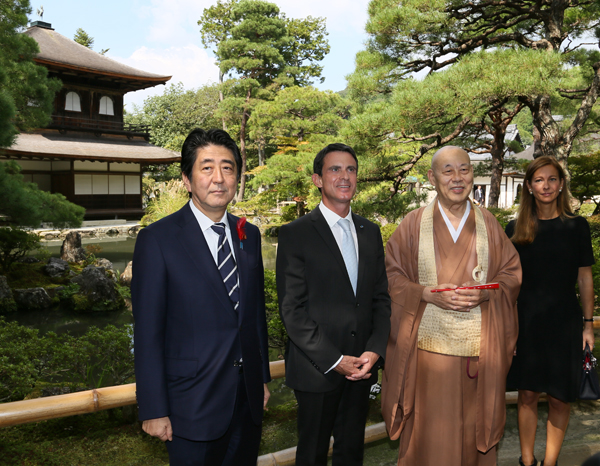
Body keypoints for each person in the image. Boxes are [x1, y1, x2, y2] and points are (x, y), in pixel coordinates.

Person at [131, 128, 271, 466]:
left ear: (237, 177)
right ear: (187, 179)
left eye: (228, 167)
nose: (218, 178)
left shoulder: (248, 234)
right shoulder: (158, 239)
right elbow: (148, 332)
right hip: (190, 405)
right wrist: (153, 408)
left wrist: (262, 378)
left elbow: (253, 316)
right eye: (206, 167)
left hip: (245, 400)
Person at [382, 146, 522, 465]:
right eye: (448, 171)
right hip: (429, 358)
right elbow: (391, 276)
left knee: (475, 435)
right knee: (430, 440)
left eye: (464, 169)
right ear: (432, 177)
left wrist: (488, 293)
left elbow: (511, 274)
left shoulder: (488, 222)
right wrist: (425, 294)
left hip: (479, 353)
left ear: (472, 175)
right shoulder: (413, 224)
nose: (457, 178)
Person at [276, 143, 391, 466]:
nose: (345, 176)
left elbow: (381, 299)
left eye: (351, 169)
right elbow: (292, 309)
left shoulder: (370, 232)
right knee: (311, 453)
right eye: (334, 169)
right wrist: (334, 359)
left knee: (351, 451)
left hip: (362, 367)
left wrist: (375, 350)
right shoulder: (295, 234)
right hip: (317, 368)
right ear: (317, 179)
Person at [505, 156, 595, 466]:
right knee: (527, 395)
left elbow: (585, 277)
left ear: (560, 185)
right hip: (525, 322)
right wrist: (508, 330)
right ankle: (527, 461)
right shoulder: (515, 229)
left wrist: (587, 325)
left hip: (566, 323)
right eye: (539, 180)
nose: (546, 185)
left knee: (560, 396)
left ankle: (550, 462)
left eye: (552, 179)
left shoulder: (576, 226)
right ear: (529, 186)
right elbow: (508, 284)